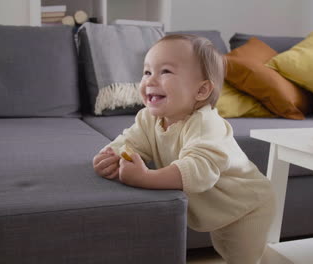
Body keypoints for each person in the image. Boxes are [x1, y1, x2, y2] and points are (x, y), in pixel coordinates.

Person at [92, 34, 275, 264]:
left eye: (165, 72)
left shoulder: (206, 124)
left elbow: (199, 171)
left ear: (201, 91)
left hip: (247, 205)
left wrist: (146, 178)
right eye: (147, 72)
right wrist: (111, 154)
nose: (150, 80)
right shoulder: (148, 118)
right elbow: (131, 141)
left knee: (242, 257)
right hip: (220, 208)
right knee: (226, 249)